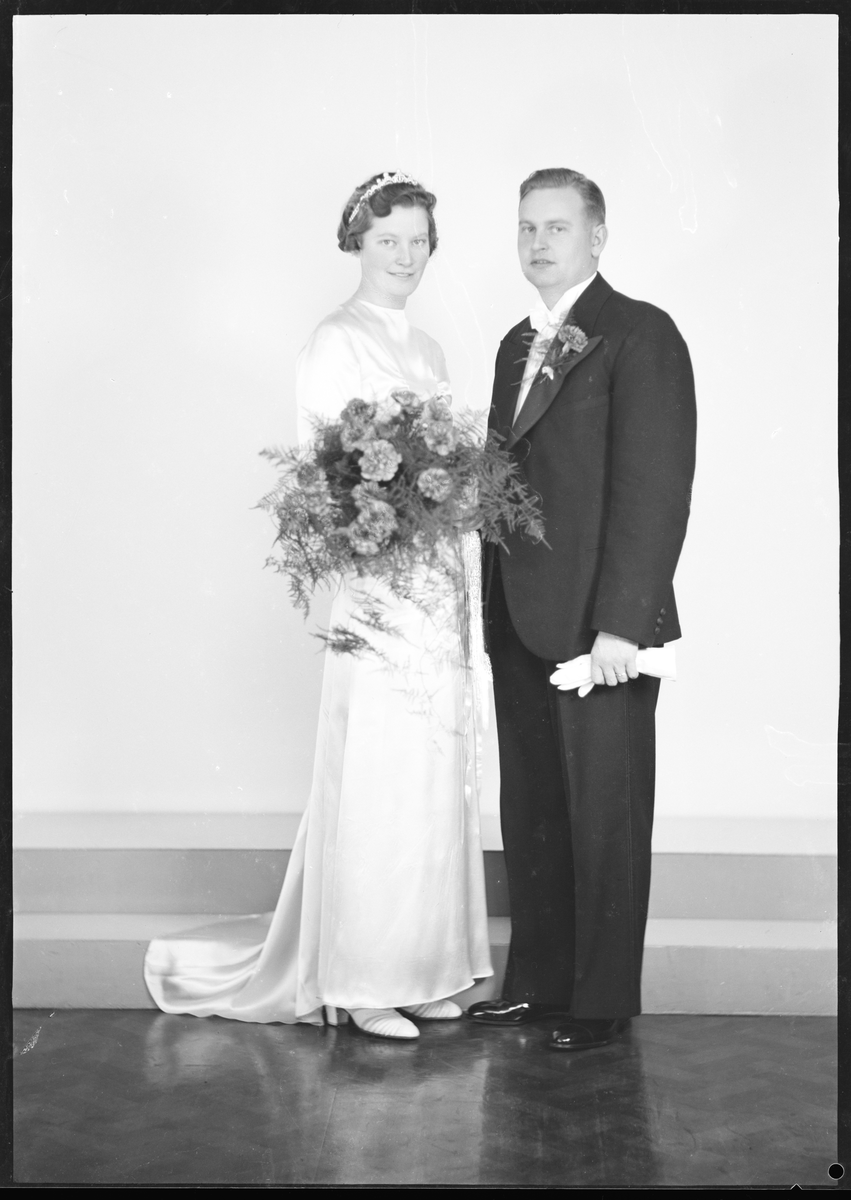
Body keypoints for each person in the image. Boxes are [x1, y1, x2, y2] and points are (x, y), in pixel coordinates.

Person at [144, 172, 493, 1040]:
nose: (404, 256)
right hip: (379, 586)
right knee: (382, 771)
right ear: (356, 244)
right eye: (387, 241)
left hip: (436, 585)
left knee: (431, 773)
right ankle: (364, 977)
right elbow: (326, 476)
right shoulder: (335, 341)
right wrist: (394, 509)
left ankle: (424, 968)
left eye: (417, 241)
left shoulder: (430, 351)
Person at [467, 168, 696, 1051]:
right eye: (526, 227)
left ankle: (599, 1004)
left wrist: (620, 627)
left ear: (596, 237)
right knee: (532, 810)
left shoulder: (640, 333)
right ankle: (537, 986)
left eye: (556, 227)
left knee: (604, 817)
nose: (537, 243)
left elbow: (655, 490)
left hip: (600, 629)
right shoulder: (511, 345)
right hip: (519, 619)